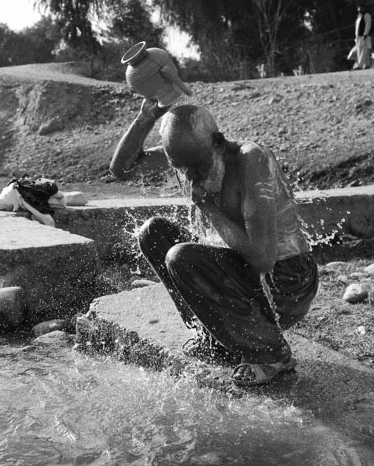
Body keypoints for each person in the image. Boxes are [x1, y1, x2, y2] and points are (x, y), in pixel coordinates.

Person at [109, 102, 318, 385]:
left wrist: (208, 207)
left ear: (217, 142)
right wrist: (146, 116)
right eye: (181, 169)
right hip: (247, 272)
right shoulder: (188, 157)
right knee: (153, 233)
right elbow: (121, 169)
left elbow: (263, 258)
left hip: (287, 282)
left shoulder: (250, 160)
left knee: (180, 257)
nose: (190, 176)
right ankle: (212, 335)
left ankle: (271, 354)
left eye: (197, 167)